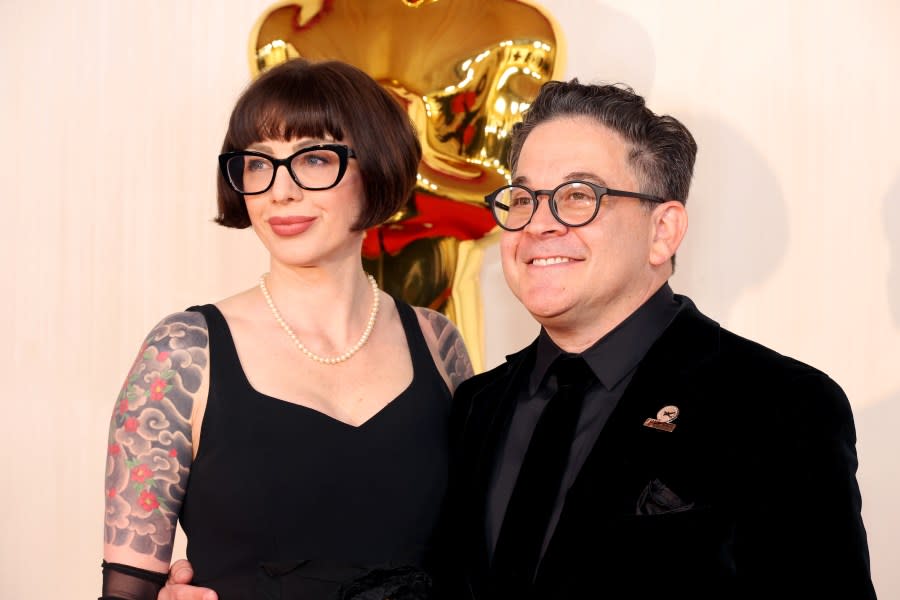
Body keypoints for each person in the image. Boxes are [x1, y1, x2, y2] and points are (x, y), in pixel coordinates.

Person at [429, 79, 877, 598]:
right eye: (524, 197)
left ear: (663, 230)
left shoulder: (779, 406)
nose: (538, 224)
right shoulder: (476, 407)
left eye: (578, 196)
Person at [101, 57, 473, 600]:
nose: (280, 191)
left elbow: (477, 557)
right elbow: (124, 592)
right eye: (258, 163)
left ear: (377, 167)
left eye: (314, 159)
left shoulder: (439, 344)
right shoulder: (182, 352)